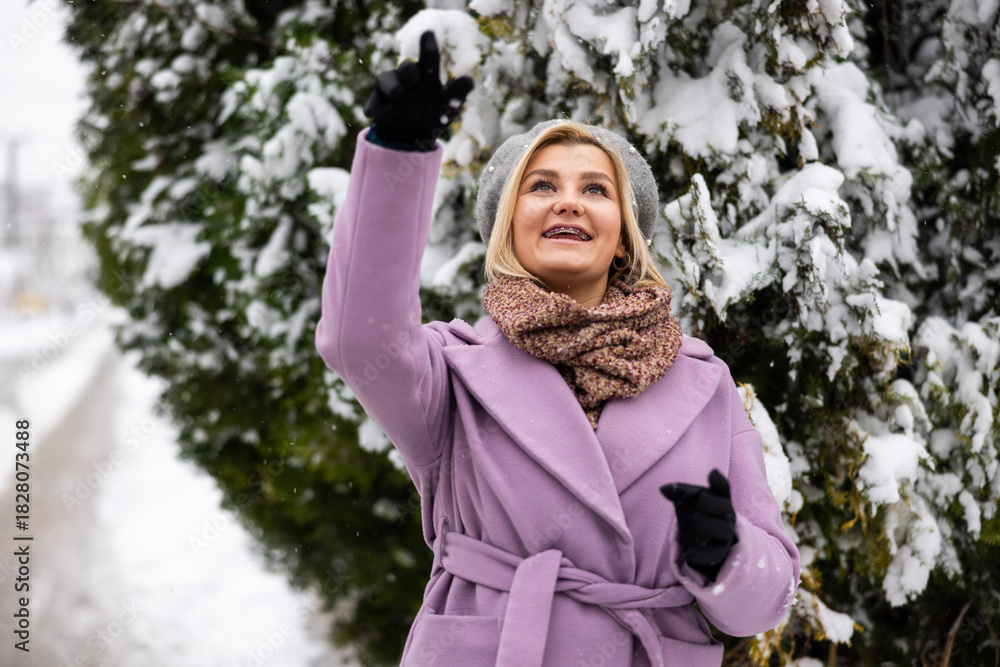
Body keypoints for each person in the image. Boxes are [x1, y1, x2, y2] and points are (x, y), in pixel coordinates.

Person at [316, 30, 800, 667]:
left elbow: (765, 603)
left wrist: (728, 557)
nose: (569, 200)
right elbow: (359, 337)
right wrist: (398, 157)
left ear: (624, 238)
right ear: (508, 227)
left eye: (596, 189)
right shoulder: (453, 375)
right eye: (541, 187)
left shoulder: (704, 386)